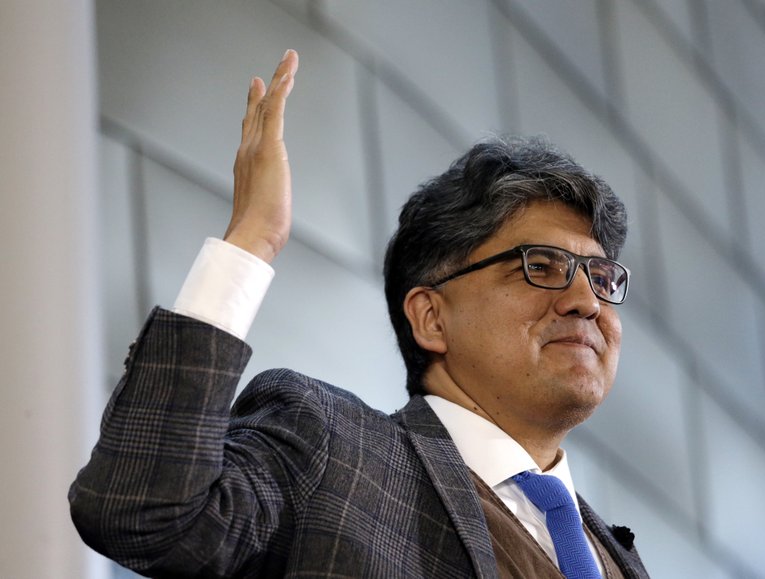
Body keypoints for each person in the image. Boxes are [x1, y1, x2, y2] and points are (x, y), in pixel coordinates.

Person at [70, 50, 649, 578]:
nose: (585, 301)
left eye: (600, 277)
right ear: (430, 318)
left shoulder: (618, 558)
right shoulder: (329, 449)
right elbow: (140, 509)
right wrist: (252, 240)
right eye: (540, 266)